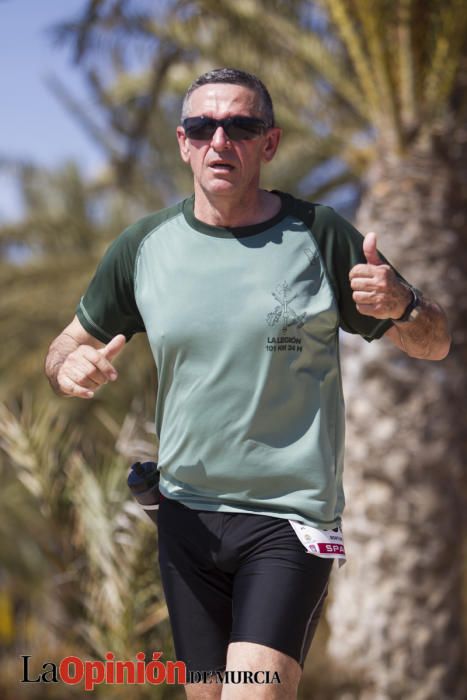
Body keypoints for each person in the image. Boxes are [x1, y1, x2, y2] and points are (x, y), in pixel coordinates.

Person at [45, 68, 450, 699]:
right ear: (183, 142)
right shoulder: (144, 247)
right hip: (185, 520)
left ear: (270, 142)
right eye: (203, 127)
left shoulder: (320, 235)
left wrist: (401, 305)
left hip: (288, 523)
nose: (220, 141)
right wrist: (66, 366)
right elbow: (67, 343)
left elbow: (437, 342)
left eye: (241, 126)